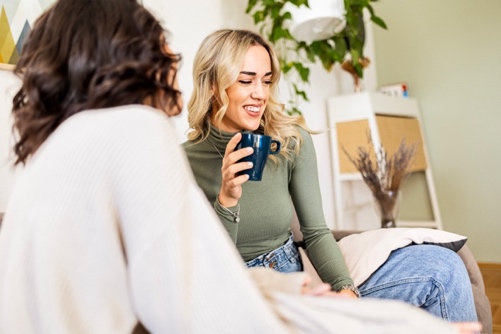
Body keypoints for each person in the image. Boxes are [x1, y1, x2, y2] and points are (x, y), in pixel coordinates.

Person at [0, 1, 481, 332]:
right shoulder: (137, 135)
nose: (172, 56)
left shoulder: (55, 157)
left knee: (438, 268)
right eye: (158, 44)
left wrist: (336, 291)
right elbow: (200, 304)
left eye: (266, 80)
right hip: (249, 284)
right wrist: (378, 324)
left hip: (279, 276)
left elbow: (182, 284)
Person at [183, 28, 479, 323]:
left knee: (443, 268)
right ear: (212, 84)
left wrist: (345, 289)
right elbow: (206, 266)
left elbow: (315, 232)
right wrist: (228, 198)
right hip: (239, 292)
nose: (260, 94)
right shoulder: (183, 161)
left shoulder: (289, 141)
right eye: (247, 80)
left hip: (296, 278)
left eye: (267, 80)